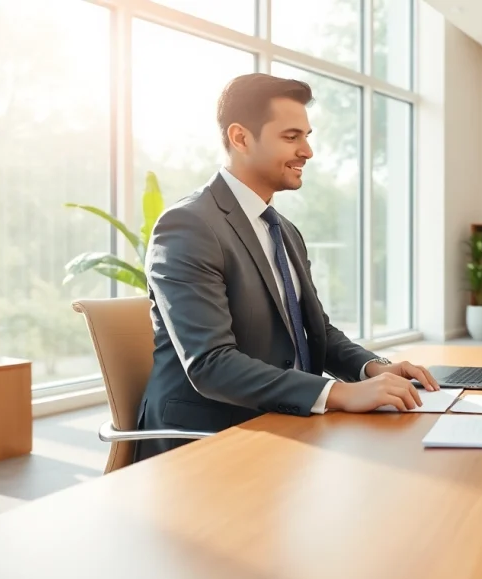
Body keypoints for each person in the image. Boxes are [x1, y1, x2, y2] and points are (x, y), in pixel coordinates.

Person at [135, 73, 439, 462]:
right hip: (209, 439)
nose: (308, 151)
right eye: (292, 137)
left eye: (307, 136)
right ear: (241, 138)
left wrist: (372, 368)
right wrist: (338, 393)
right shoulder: (188, 226)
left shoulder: (284, 231)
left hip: (287, 423)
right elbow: (211, 364)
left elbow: (317, 332)